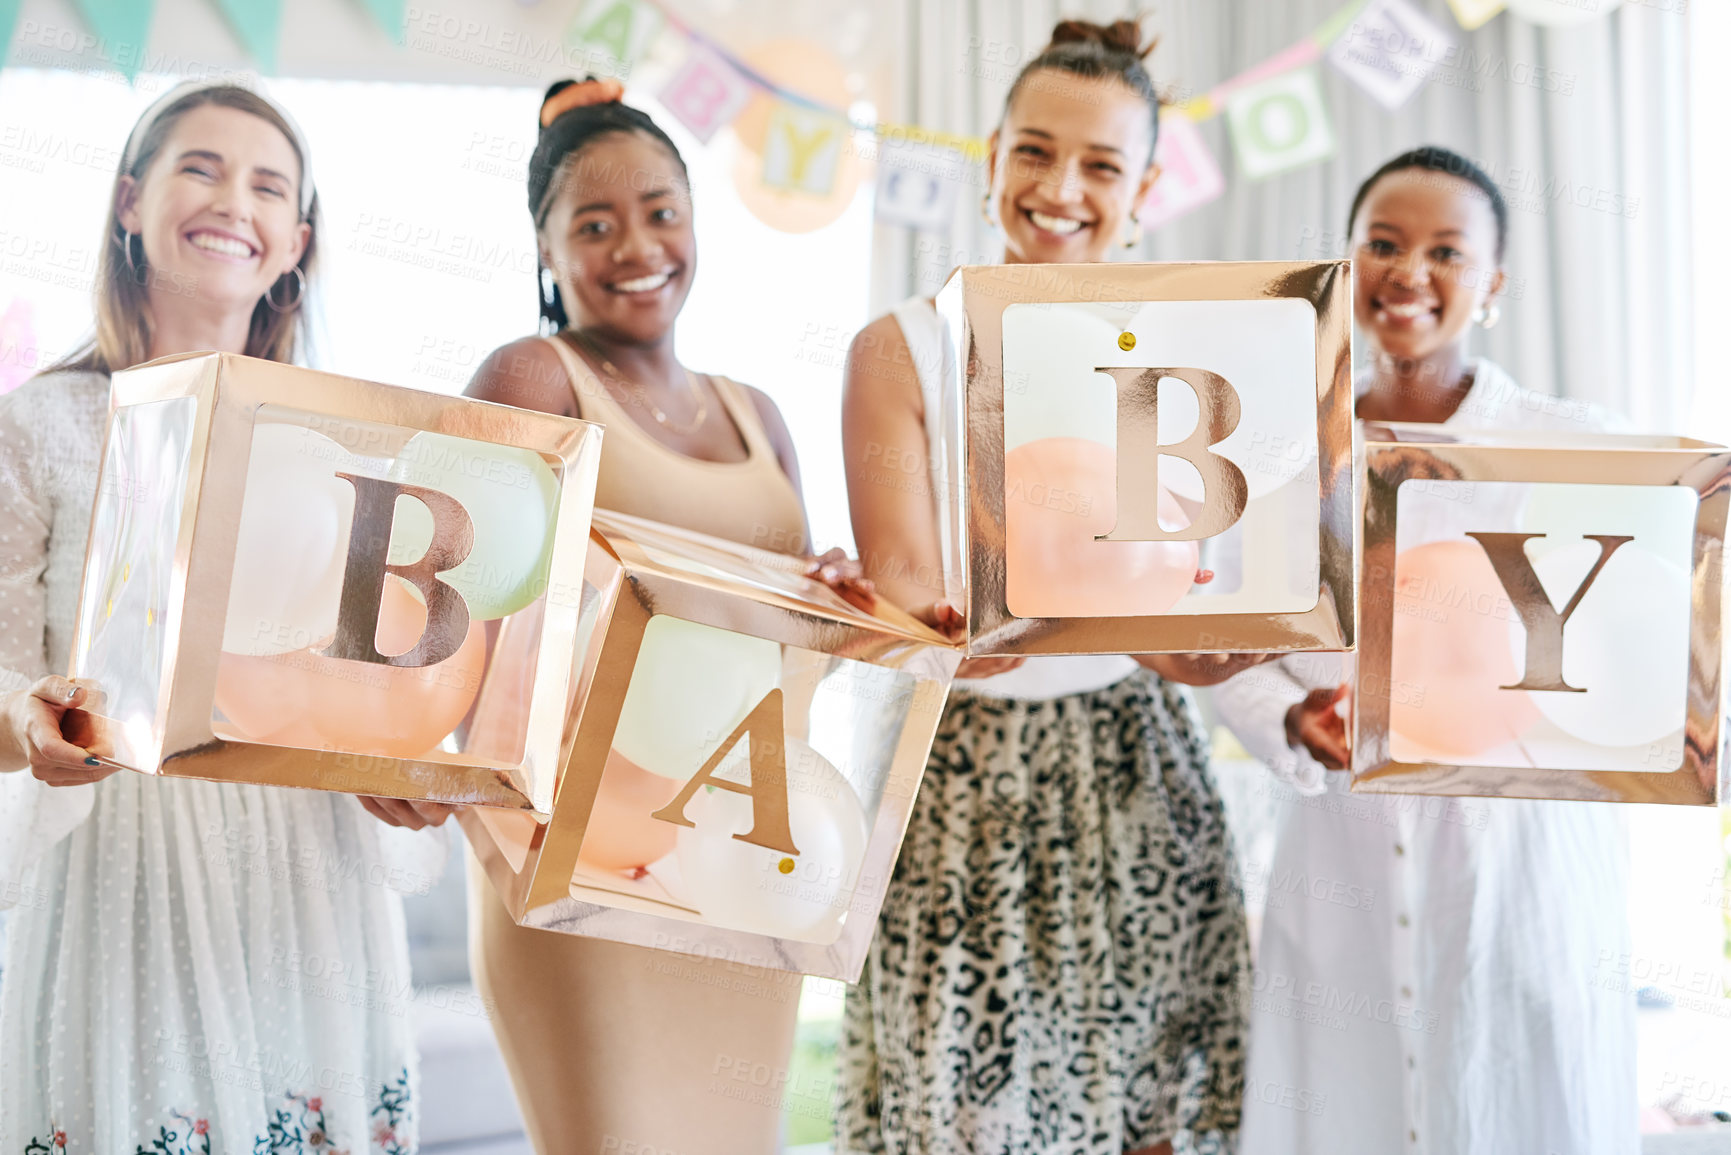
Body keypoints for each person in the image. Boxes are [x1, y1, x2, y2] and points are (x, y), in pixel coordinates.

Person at [837, 21, 1259, 1155]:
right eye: (1033, 151)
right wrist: (978, 629)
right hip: (959, 780)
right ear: (989, 162)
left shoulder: (1197, 355)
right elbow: (919, 607)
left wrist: (1209, 645)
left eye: (1102, 165)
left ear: (1149, 188)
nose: (1061, 188)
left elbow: (1220, 587)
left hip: (1135, 767)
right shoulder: (901, 351)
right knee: (964, 1118)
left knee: (1145, 1115)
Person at [0, 80, 442, 1152]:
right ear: (128, 202)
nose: (230, 200)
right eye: (200, 166)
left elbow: (386, 678)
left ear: (296, 241)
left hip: (310, 882)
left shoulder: (352, 440)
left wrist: (410, 768)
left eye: (267, 184)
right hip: (128, 874)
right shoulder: (42, 424)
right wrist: (31, 727)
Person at [461, 77, 867, 1153]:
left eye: (659, 211)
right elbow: (452, 630)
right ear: (546, 251)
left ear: (695, 222)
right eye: (593, 224)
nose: (636, 244)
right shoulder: (531, 378)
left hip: (744, 861)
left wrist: (843, 601)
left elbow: (791, 656)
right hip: (587, 874)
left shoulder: (759, 414)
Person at [1212, 146, 1638, 1155]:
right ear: (1346, 268)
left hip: (1520, 864)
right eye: (1384, 244)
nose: (1411, 271)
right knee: (1348, 1103)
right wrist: (1288, 717)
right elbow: (1223, 631)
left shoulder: (1577, 447)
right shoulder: (1278, 450)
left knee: (1524, 1099)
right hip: (1341, 850)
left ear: (1492, 283)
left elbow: (1644, 631)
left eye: (1448, 250)